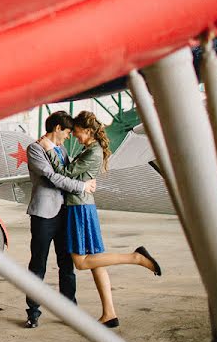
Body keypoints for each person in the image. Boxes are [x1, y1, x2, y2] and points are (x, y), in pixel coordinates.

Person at [42, 110, 162, 328]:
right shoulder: (90, 149)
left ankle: (135, 257)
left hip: (79, 209)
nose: (74, 136)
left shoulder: (93, 152)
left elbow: (65, 173)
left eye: (76, 132)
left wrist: (50, 150)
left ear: (87, 130)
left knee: (81, 262)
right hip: (84, 205)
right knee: (97, 263)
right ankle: (110, 313)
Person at [24, 111, 97, 329]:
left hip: (65, 213)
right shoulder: (35, 149)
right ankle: (33, 312)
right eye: (67, 132)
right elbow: (54, 178)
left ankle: (69, 310)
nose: (69, 136)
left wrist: (85, 182)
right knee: (38, 265)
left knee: (66, 265)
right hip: (43, 214)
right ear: (57, 128)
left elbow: (69, 173)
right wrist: (82, 187)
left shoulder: (62, 150)